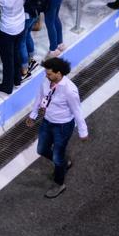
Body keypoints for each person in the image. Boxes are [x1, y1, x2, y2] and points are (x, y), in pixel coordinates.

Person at [27, 57, 88, 197]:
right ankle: (64, 162)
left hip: (63, 126)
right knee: (41, 149)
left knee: (57, 157)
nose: (46, 76)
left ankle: (59, 184)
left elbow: (77, 110)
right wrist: (33, 115)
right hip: (47, 122)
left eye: (49, 74)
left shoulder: (69, 90)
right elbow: (39, 97)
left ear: (59, 73)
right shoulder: (46, 82)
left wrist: (82, 130)